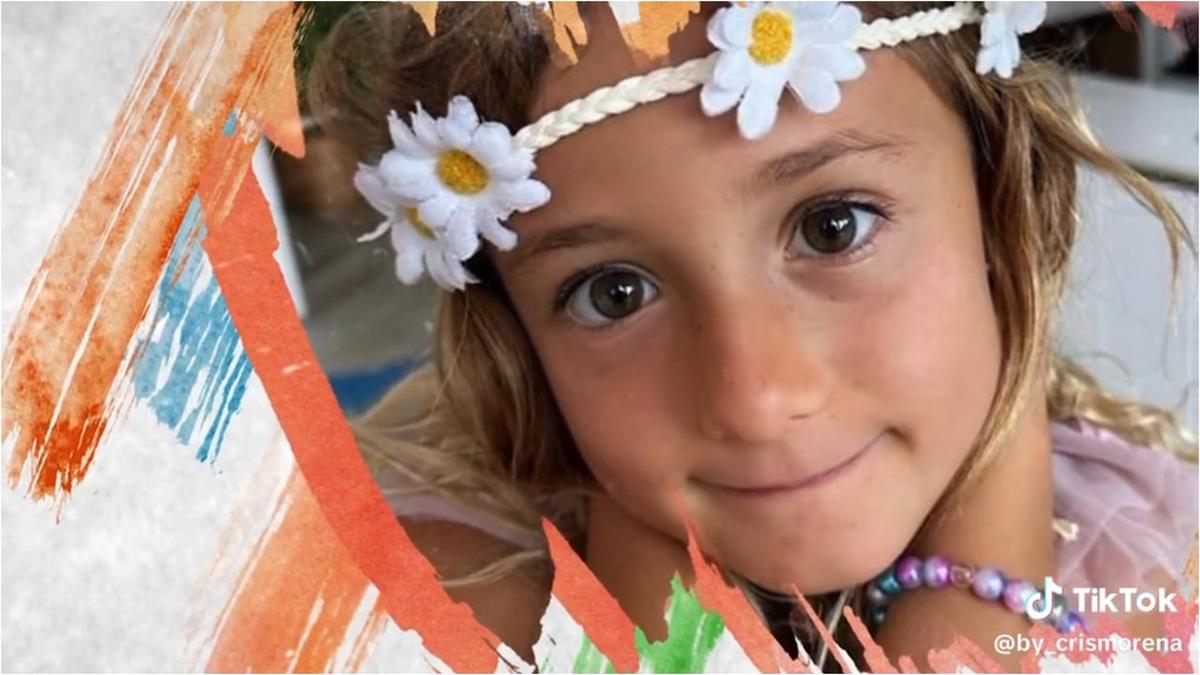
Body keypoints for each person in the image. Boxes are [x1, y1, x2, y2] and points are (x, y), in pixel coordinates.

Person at [305, 2, 1198, 669]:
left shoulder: (1160, 559)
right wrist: (971, 606)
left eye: (833, 227)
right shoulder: (435, 599)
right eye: (614, 293)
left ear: (1003, 200)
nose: (755, 399)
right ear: (517, 341)